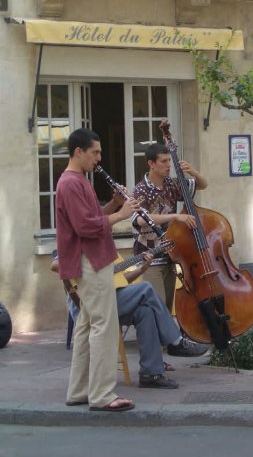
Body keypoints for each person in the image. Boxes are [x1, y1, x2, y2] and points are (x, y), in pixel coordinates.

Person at [55, 127, 140, 412]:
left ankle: (79, 391)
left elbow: (92, 217)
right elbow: (86, 227)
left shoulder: (77, 181)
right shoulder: (71, 183)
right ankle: (103, 395)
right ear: (78, 152)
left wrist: (114, 204)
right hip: (89, 260)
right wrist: (122, 214)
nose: (99, 158)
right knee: (104, 325)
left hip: (90, 258)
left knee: (86, 325)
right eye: (95, 152)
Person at [52, 252, 208, 389]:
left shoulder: (107, 248)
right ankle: (175, 341)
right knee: (146, 288)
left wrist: (142, 269)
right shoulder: (82, 240)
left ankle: (151, 374)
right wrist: (92, 271)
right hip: (93, 303)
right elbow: (56, 264)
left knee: (145, 312)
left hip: (111, 301)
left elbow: (121, 279)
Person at [131, 143, 208, 325]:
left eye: (169, 161)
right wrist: (175, 216)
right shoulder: (141, 189)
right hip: (150, 255)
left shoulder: (172, 184)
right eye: (164, 161)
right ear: (151, 163)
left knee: (165, 305)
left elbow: (203, 185)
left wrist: (194, 172)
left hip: (170, 253)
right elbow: (140, 219)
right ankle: (158, 342)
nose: (168, 165)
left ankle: (166, 342)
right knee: (156, 303)